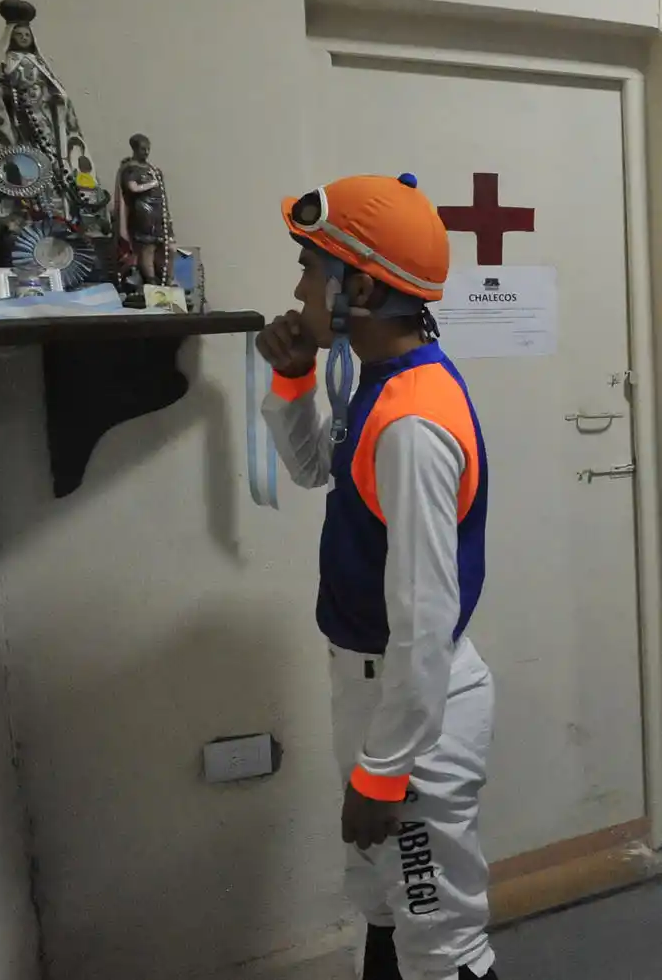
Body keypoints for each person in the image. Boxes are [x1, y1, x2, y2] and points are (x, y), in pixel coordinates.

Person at [256, 174, 496, 980]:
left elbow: (428, 617)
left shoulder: (413, 422)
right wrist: (291, 380)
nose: (296, 287)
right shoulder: (378, 381)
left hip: (412, 710)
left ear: (356, 285)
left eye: (306, 266)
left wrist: (386, 769)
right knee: (384, 908)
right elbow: (313, 469)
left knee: (441, 940)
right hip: (373, 691)